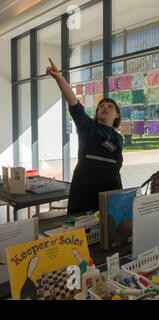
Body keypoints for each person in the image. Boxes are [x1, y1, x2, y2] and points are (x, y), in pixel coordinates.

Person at [46, 58, 123, 214]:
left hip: (110, 192)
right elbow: (74, 102)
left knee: (108, 233)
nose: (104, 108)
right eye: (101, 106)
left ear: (117, 115)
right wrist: (59, 78)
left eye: (109, 106)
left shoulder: (118, 138)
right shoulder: (87, 126)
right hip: (84, 192)